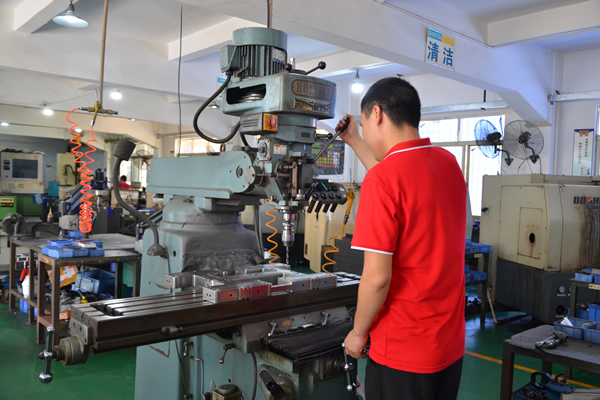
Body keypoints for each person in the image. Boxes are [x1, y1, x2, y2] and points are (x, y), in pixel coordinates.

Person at [339, 77, 467, 400]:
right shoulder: (448, 163)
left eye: (364, 124)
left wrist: (358, 332)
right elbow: (395, 177)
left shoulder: (382, 181)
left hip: (402, 352)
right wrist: (354, 139)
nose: (365, 132)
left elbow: (377, 279)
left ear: (377, 114)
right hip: (448, 347)